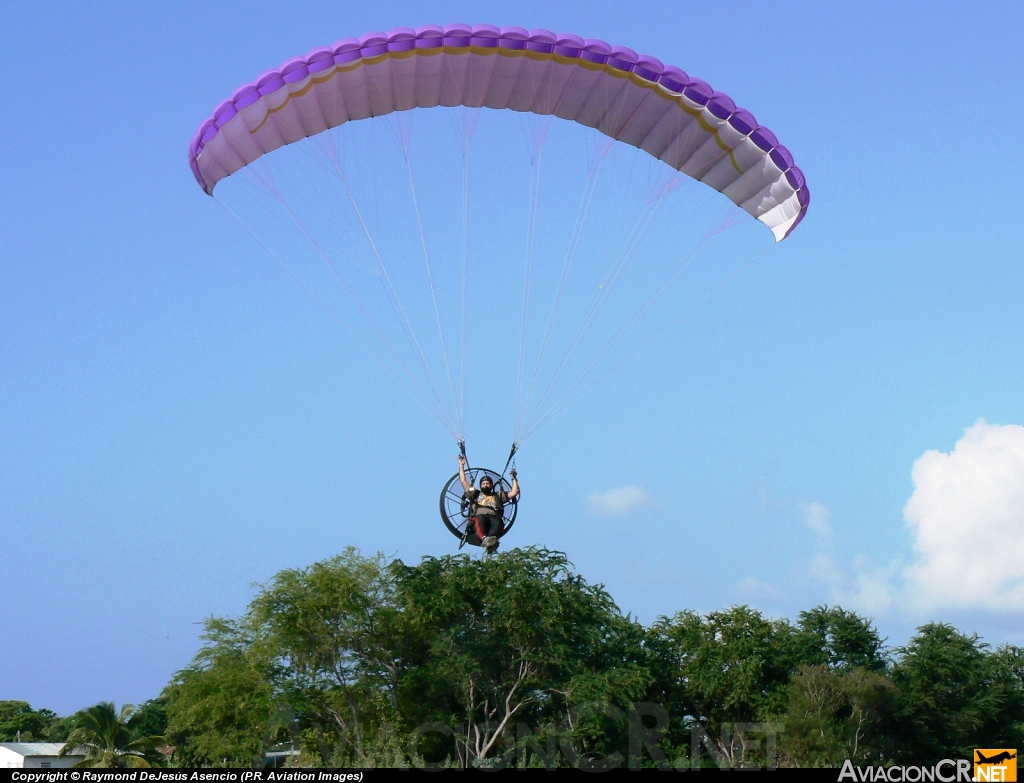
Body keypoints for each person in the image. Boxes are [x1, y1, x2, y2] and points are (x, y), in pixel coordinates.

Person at [458, 454, 519, 553]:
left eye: (487, 483)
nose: (485, 485)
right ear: (480, 485)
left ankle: (492, 540)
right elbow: (463, 481)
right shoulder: (475, 494)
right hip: (478, 518)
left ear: (491, 485)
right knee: (480, 517)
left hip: (493, 518)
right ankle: (485, 539)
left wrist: (514, 478)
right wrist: (461, 465)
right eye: (483, 483)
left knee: (498, 521)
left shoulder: (498, 495)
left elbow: (514, 493)